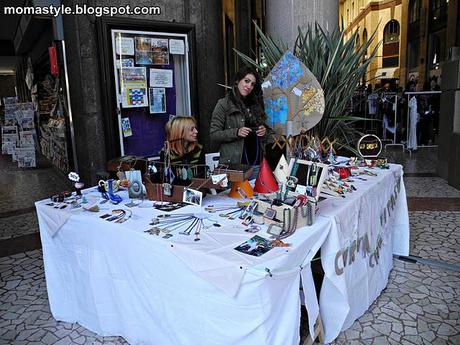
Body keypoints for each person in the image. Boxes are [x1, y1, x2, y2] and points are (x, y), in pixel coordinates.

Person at [210, 66, 272, 168]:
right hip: (235, 164)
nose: (249, 86)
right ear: (237, 81)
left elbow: (268, 134)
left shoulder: (255, 105)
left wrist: (264, 131)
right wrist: (236, 132)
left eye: (252, 84)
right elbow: (214, 135)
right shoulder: (223, 104)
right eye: (246, 81)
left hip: (257, 162)